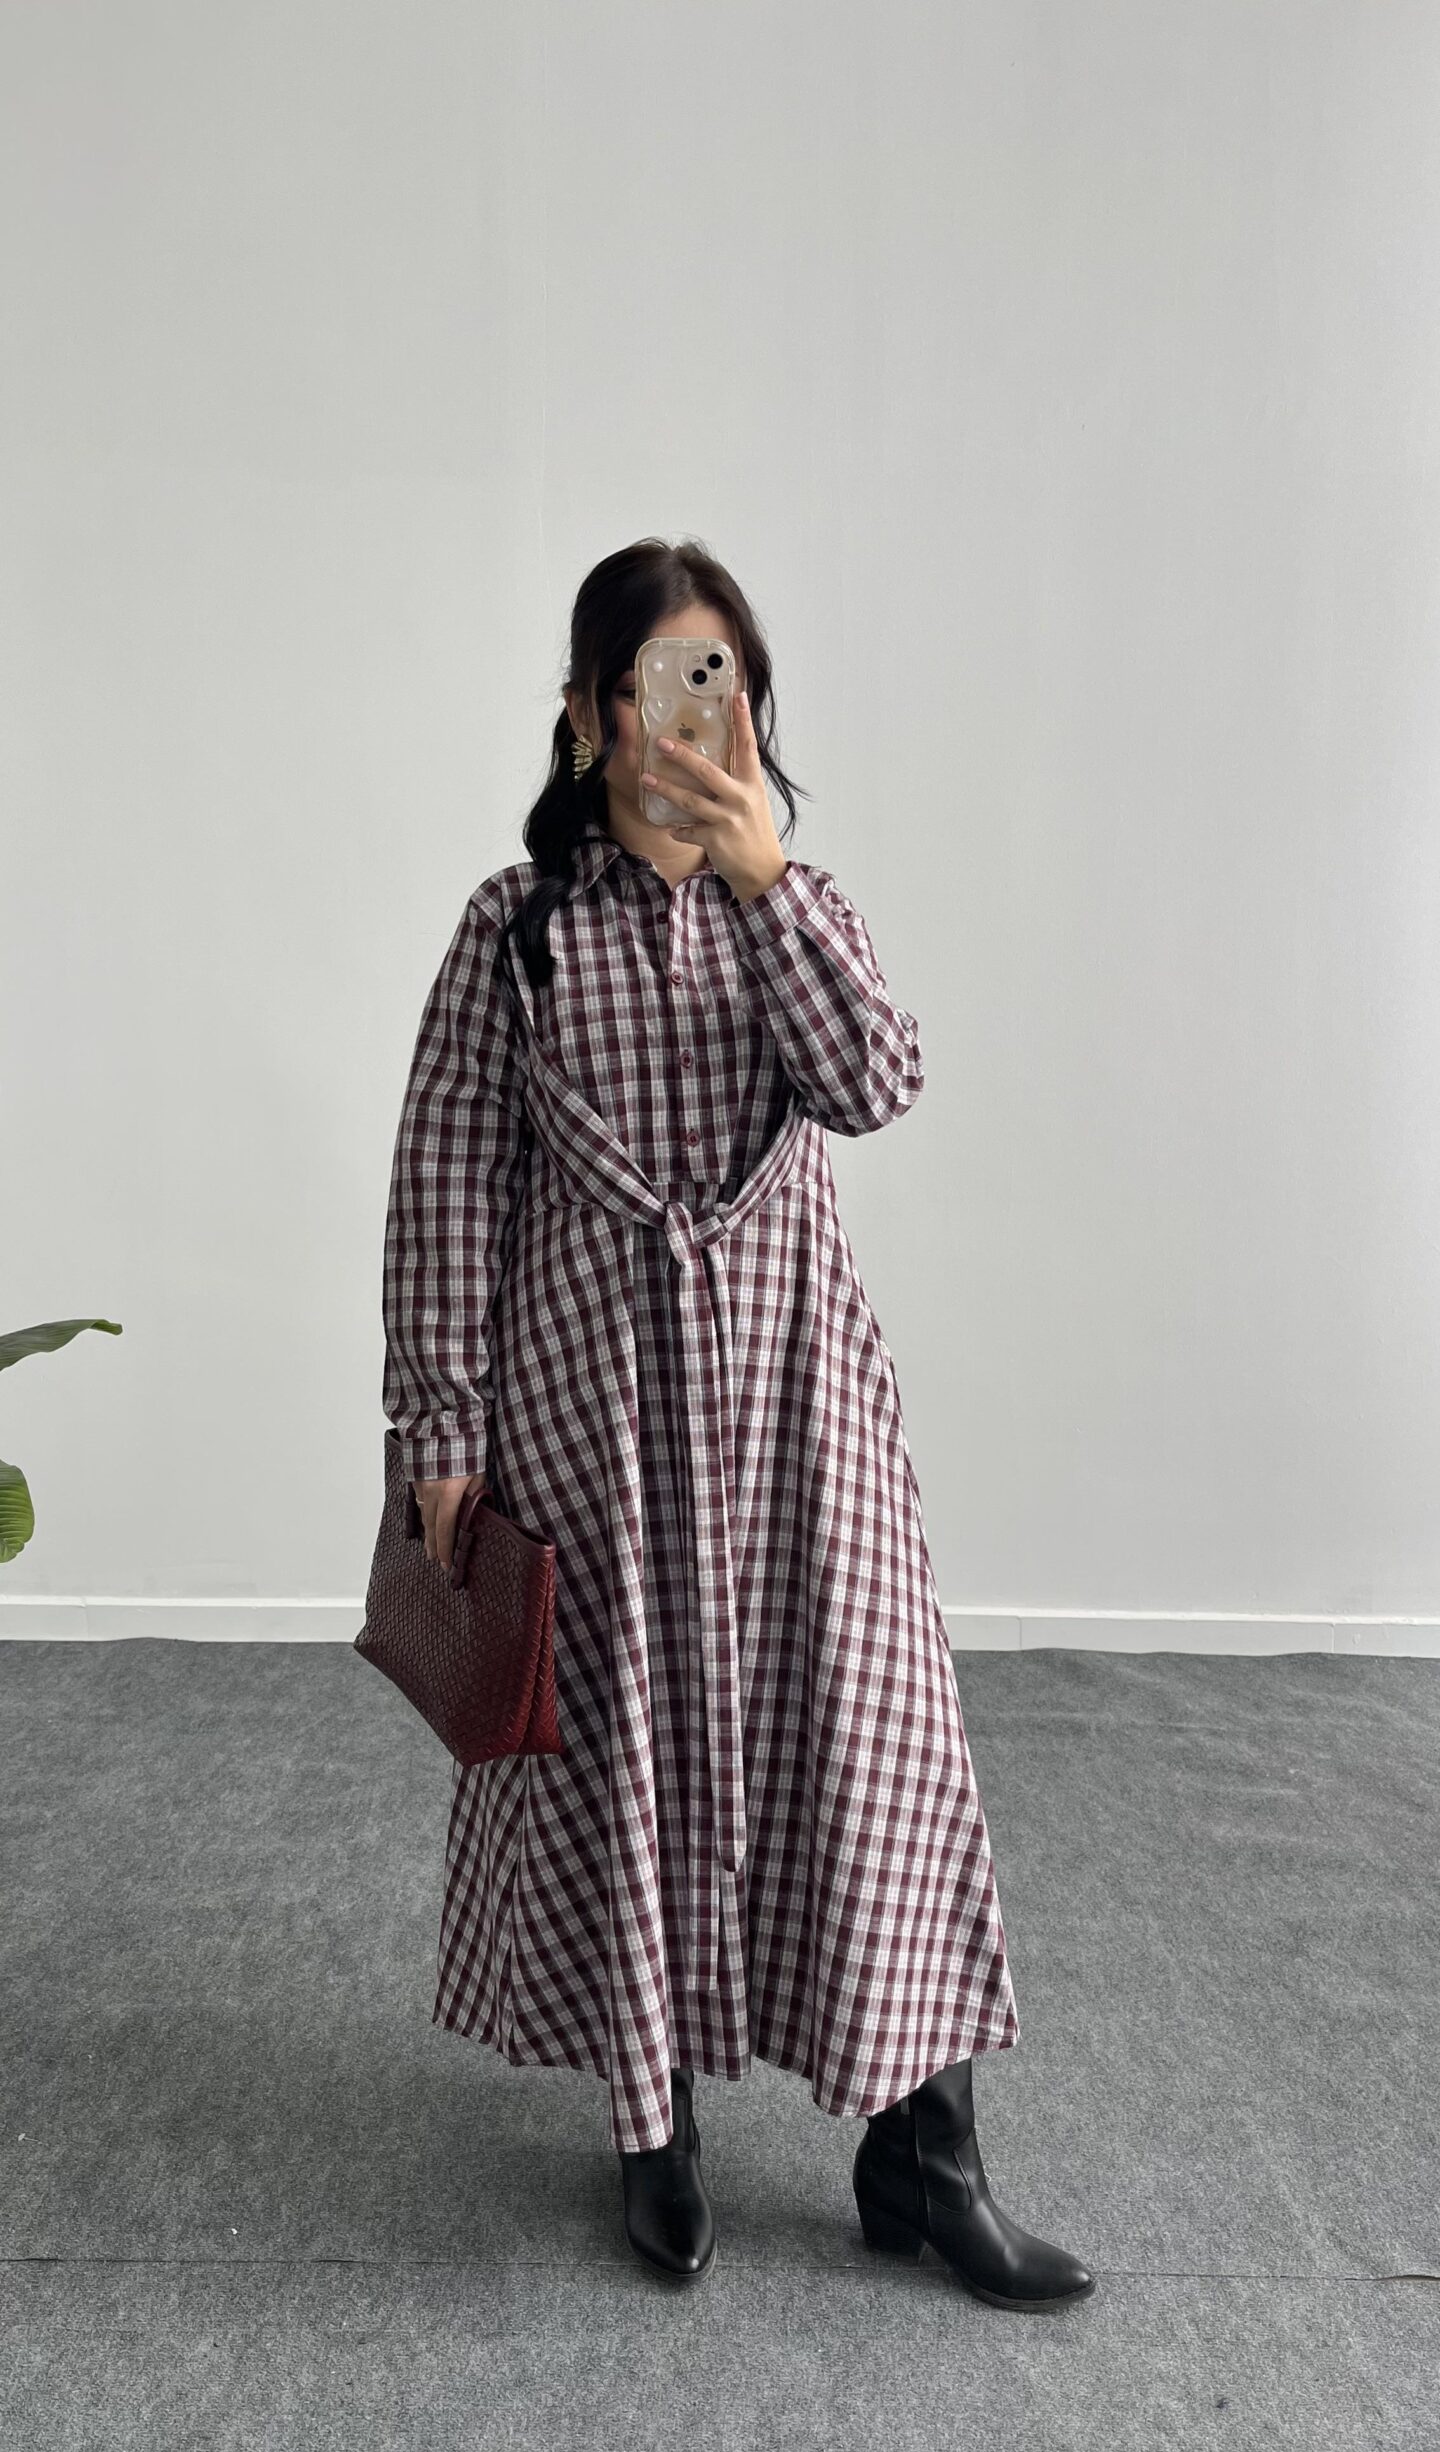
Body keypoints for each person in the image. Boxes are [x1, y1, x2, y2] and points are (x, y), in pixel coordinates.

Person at [381, 536, 1095, 2313]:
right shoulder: (517, 929)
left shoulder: (804, 903)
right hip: (591, 1412)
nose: (690, 719)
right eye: (655, 684)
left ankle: (927, 2158)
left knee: (872, 1749)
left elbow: (877, 1083)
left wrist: (767, 883)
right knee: (628, 1757)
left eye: (725, 682)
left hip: (800, 1409)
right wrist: (440, 1430)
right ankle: (658, 2128)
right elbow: (448, 1187)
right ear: (587, 713)